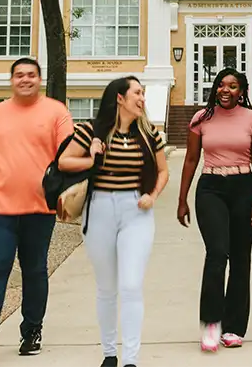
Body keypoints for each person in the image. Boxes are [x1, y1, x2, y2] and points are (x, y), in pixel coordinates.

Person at [0, 57, 74, 361]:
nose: (25, 80)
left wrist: (64, 193)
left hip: (40, 209)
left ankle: (32, 332)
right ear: (11, 80)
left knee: (35, 271)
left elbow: (68, 157)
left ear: (41, 80)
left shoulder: (56, 112)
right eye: (19, 75)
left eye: (31, 75)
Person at [58, 75, 169, 367]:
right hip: (100, 209)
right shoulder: (91, 132)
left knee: (131, 286)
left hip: (137, 210)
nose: (142, 98)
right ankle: (109, 354)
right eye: (137, 93)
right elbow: (64, 162)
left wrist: (153, 195)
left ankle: (130, 359)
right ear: (119, 98)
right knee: (107, 288)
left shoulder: (149, 134)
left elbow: (163, 171)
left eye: (143, 93)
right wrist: (91, 159)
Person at [177, 68, 252, 352]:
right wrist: (182, 199)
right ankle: (211, 325)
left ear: (242, 91)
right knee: (217, 254)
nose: (226, 90)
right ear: (215, 88)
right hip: (211, 188)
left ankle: (234, 328)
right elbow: (191, 159)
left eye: (233, 86)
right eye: (221, 85)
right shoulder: (201, 118)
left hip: (243, 187)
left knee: (241, 258)